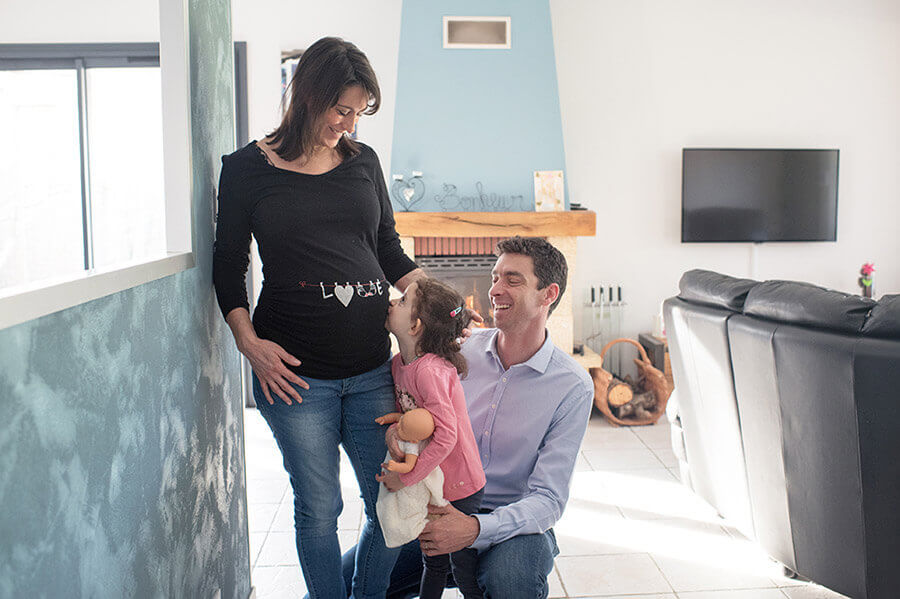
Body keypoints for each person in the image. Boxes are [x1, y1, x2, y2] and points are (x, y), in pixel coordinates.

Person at [212, 37, 425, 599]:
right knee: (319, 508)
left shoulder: (363, 162)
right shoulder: (245, 169)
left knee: (391, 501)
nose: (349, 125)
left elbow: (388, 249)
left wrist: (437, 299)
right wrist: (248, 343)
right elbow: (229, 267)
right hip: (295, 376)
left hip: (373, 369)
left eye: (359, 113)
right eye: (342, 110)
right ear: (308, 94)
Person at [341, 236, 594, 598]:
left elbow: (549, 499)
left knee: (512, 580)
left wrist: (475, 529)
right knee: (348, 578)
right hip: (437, 506)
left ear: (548, 294)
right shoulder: (456, 352)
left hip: (513, 525)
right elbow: (413, 394)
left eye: (512, 279)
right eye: (493, 277)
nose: (495, 289)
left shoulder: (572, 386)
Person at [376, 277, 487, 599]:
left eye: (401, 302)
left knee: (462, 565)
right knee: (434, 562)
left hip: (461, 484)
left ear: (415, 327)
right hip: (434, 480)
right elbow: (412, 420)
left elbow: (447, 435)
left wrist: (408, 477)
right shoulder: (399, 365)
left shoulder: (430, 371)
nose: (391, 304)